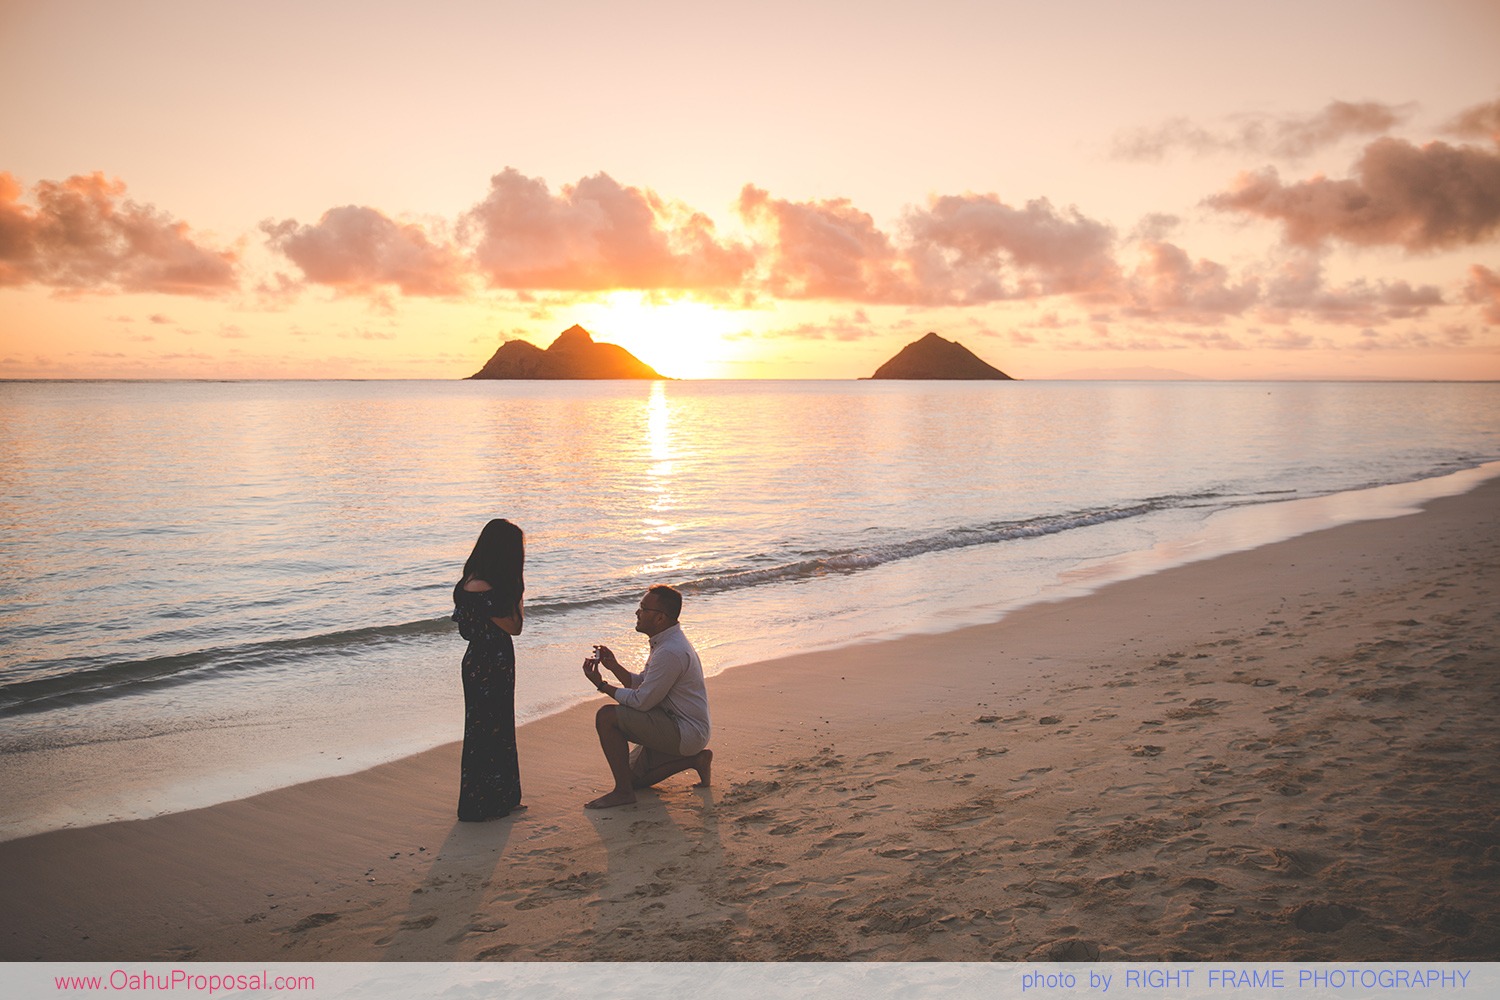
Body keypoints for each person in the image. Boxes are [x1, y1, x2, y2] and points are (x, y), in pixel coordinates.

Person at [582, 584, 712, 809]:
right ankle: (696, 760)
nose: (637, 612)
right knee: (633, 778)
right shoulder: (666, 643)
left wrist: (602, 685)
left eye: (643, 608)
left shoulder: (670, 651)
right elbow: (644, 684)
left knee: (606, 716)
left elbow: (642, 701)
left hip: (685, 731)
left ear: (660, 618)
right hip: (678, 725)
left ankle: (623, 793)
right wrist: (614, 667)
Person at [450, 518, 526, 821]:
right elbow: (515, 626)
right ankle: (486, 802)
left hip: (478, 658)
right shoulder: (488, 589)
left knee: (487, 728)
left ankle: (497, 797)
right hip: (492, 661)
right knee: (492, 730)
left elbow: (466, 629)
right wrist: (516, 593)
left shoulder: (468, 582)